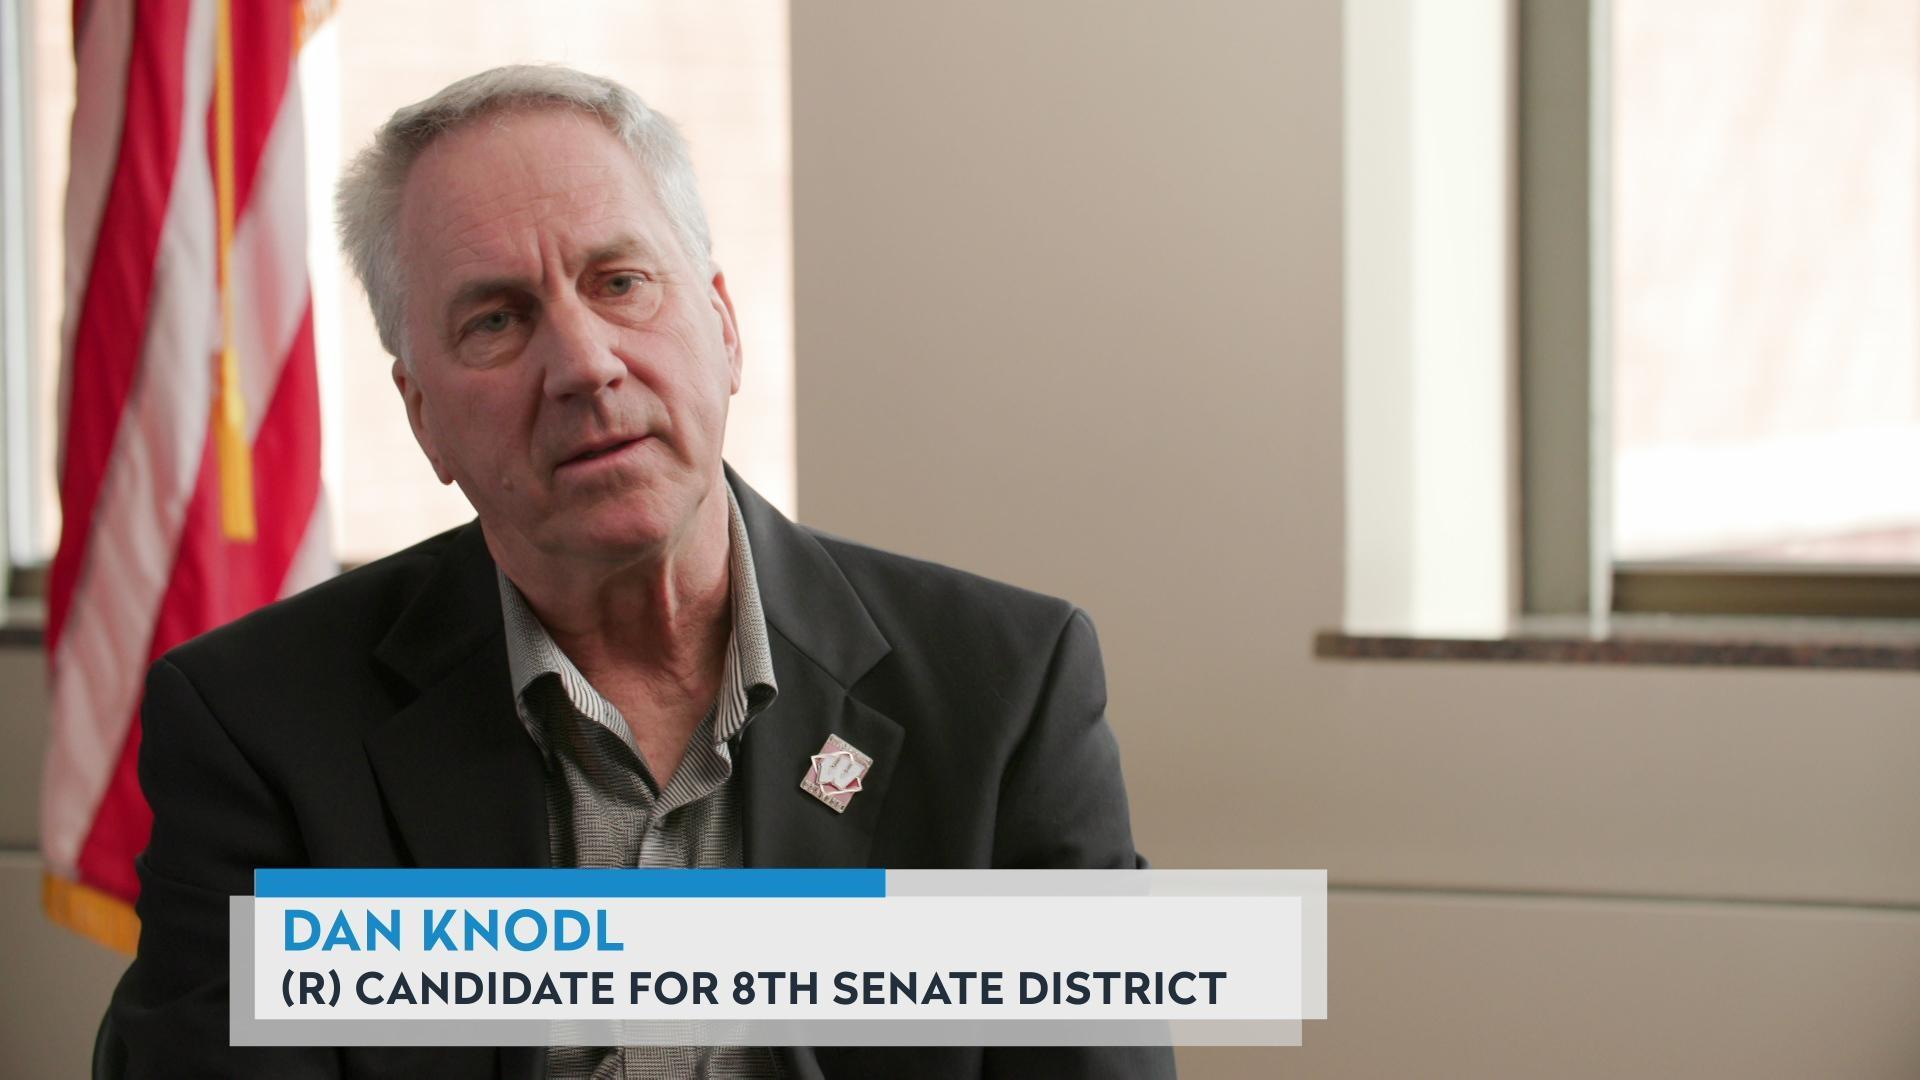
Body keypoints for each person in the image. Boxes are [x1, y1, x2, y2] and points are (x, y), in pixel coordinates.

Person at [105, 65, 1171, 1079]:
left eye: (620, 282)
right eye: (496, 321)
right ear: (423, 419)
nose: (582, 363)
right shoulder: (260, 727)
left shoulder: (1007, 692)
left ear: (723, 326)